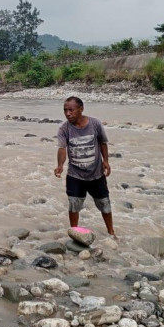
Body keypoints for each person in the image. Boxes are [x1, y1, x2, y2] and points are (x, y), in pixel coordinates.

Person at [53, 95, 116, 237]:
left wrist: (106, 161)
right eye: (65, 110)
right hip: (75, 175)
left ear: (81, 109)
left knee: (104, 204)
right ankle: (74, 233)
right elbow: (62, 149)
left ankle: (111, 232)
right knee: (74, 205)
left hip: (96, 174)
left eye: (71, 110)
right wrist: (60, 165)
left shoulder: (95, 124)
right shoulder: (64, 129)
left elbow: (102, 143)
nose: (68, 113)